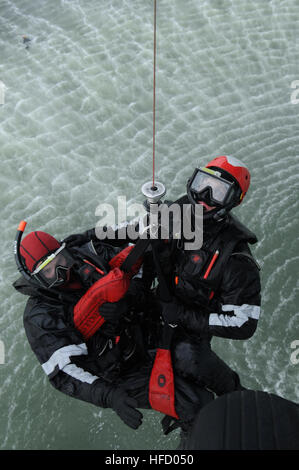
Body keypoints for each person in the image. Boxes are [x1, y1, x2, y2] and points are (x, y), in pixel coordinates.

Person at [13, 223, 211, 434]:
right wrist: (110, 396)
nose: (61, 273)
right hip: (118, 371)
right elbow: (64, 373)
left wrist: (129, 297)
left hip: (139, 332)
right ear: (35, 278)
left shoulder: (88, 254)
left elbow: (137, 267)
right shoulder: (40, 316)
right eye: (49, 272)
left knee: (202, 362)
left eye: (61, 261)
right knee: (196, 404)